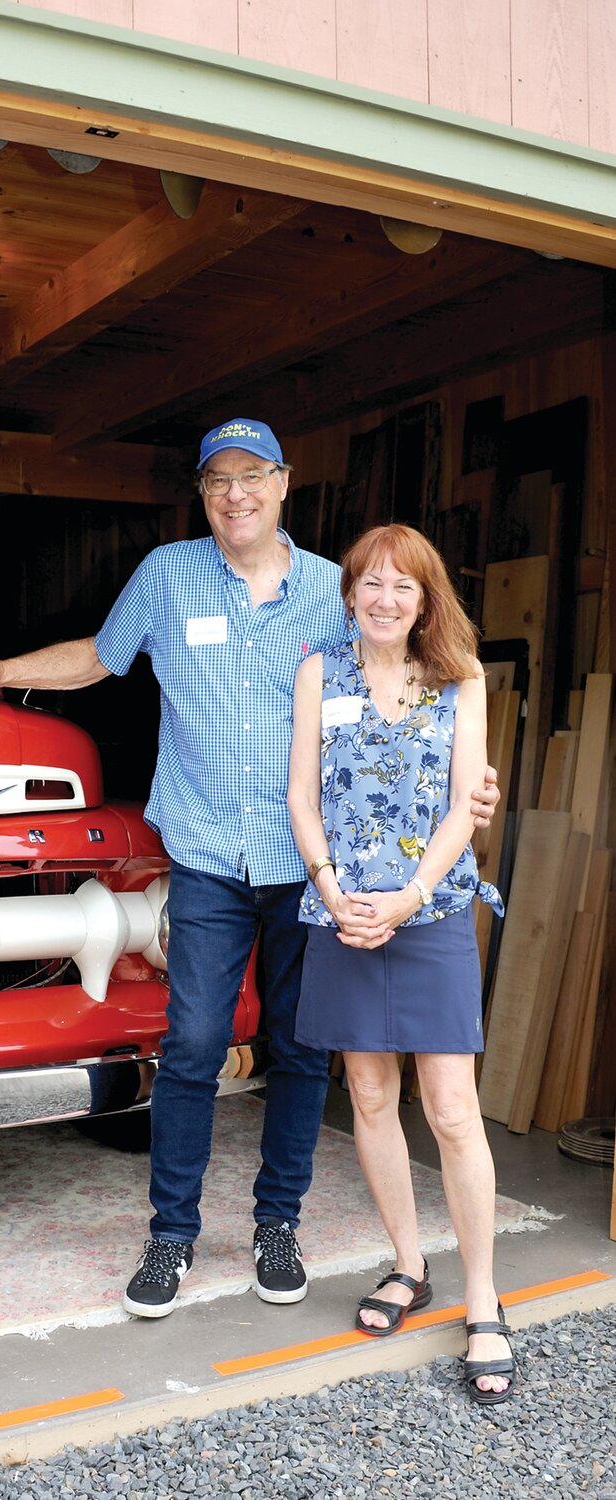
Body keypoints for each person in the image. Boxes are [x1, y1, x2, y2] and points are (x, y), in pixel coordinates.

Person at [0, 419, 499, 1320]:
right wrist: (2, 669)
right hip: (205, 851)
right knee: (196, 1044)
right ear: (201, 493)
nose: (233, 494)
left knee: (296, 1049)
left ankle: (275, 1225)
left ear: (283, 483)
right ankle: (170, 1235)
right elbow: (98, 657)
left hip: (312, 866)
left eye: (251, 476)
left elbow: (406, 689)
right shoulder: (166, 576)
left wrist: (470, 785)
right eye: (216, 481)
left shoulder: (336, 589)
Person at [287, 522, 514, 1404]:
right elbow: (300, 794)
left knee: (452, 1110)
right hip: (340, 910)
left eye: (403, 587)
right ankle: (409, 1264)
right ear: (348, 592)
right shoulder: (319, 672)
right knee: (370, 1097)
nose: (384, 600)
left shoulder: (459, 680)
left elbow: (468, 804)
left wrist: (411, 896)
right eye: (370, 584)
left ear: (425, 600)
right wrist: (329, 884)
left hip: (429, 911)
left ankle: (484, 1299)